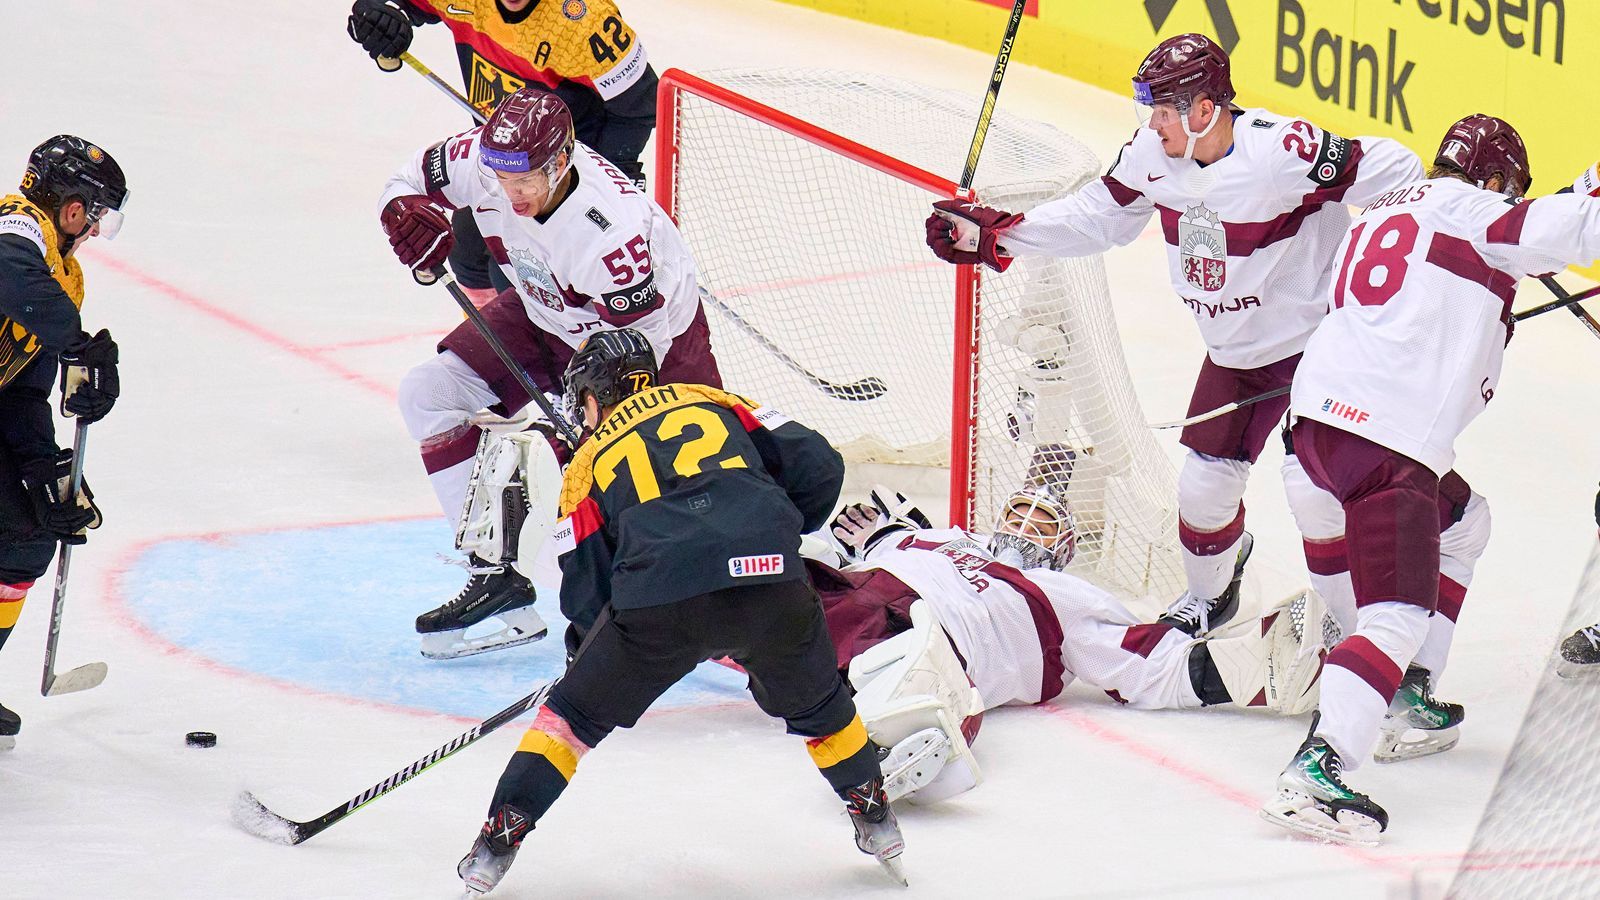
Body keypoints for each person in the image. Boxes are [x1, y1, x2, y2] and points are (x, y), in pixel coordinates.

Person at [923, 33, 1423, 645]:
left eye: (1163, 110)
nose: (1152, 123)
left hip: (1317, 351)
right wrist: (1001, 236)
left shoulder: (1280, 153)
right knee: (1203, 490)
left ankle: (1355, 642)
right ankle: (1212, 593)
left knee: (1316, 497)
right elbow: (1099, 215)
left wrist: (1396, 262)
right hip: (1235, 356)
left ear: (1204, 109)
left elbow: (1396, 168)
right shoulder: (1151, 155)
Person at [454, 328, 904, 894]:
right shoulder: (720, 403)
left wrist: (590, 652)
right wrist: (771, 531)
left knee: (568, 724)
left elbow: (587, 592)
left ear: (593, 397)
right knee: (823, 708)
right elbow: (821, 466)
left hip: (661, 607)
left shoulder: (587, 461)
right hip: (772, 584)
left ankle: (497, 843)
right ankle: (876, 818)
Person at [1258, 116, 1600, 846]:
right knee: (1396, 614)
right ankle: (1320, 763)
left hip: (1311, 437)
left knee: (1465, 524)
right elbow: (1577, 229)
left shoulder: (1387, 205)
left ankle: (1403, 690)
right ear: (1498, 182)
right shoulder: (1476, 211)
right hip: (1385, 444)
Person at [379, 88, 720, 659]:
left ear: (562, 160)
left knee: (662, 486)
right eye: (500, 179)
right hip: (545, 308)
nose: (509, 195)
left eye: (525, 183)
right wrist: (404, 214)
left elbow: (635, 349)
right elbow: (404, 179)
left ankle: (699, 608)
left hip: (648, 347)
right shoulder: (484, 161)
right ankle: (496, 575)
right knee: (427, 394)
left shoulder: (610, 234)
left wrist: (574, 425)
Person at [806, 480, 1335, 805]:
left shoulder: (1066, 596)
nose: (1025, 525)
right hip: (848, 600)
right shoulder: (936, 536)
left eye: (1042, 523)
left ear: (1063, 549)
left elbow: (1143, 667)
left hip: (928, 646)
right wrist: (866, 536)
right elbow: (844, 551)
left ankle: (901, 737)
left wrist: (1245, 666)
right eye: (1018, 514)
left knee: (919, 679)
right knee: (763, 581)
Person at [347, 0, 657, 305]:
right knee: (466, 254)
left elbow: (640, 105)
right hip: (497, 164)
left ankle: (538, 347)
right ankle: (493, 349)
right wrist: (380, 15)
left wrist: (609, 177)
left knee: (516, 277)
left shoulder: (581, 22)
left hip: (557, 179)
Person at [0, 136, 126, 749]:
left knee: (26, 532)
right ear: (73, 209)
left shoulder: (65, 280)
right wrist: (77, 343)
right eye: (97, 215)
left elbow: (21, 396)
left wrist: (44, 466)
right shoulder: (16, 225)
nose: (96, 231)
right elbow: (8, 273)